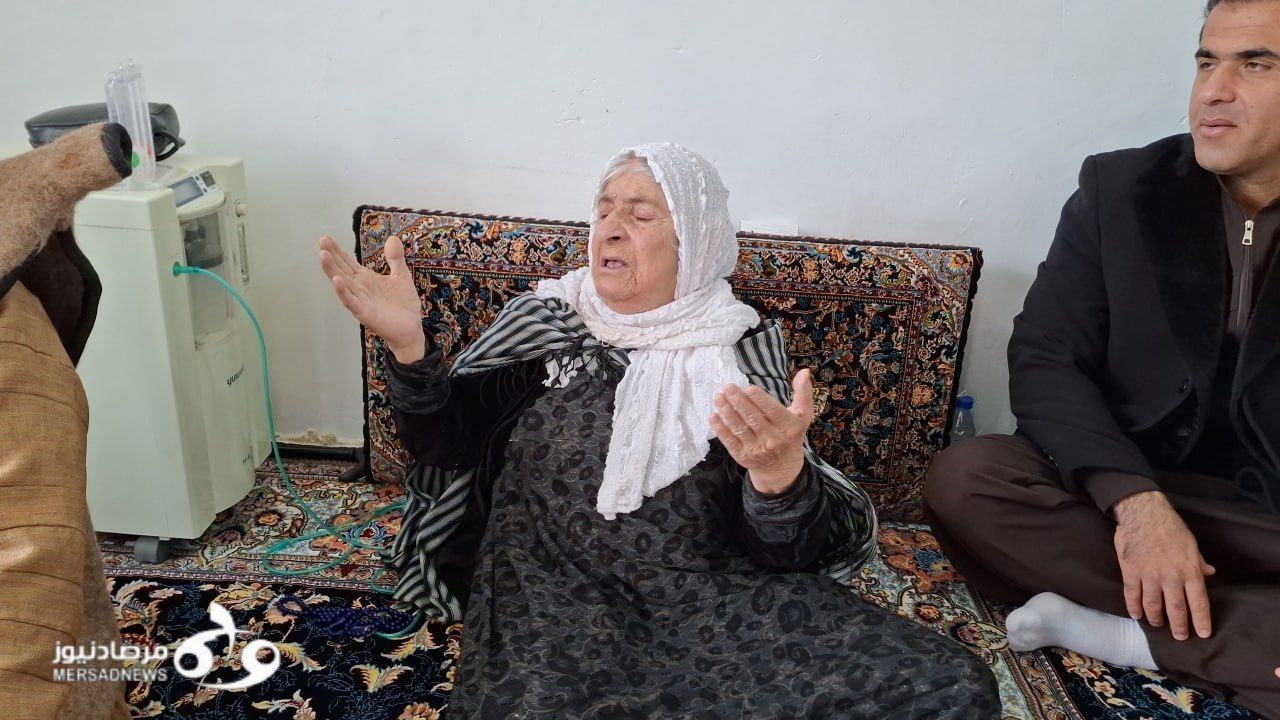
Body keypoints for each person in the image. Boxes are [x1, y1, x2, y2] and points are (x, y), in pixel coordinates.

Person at [319, 143, 999, 718]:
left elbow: (789, 555)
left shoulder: (737, 351)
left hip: (717, 594)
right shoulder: (546, 325)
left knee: (948, 685)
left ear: (693, 243)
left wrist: (777, 477)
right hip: (557, 594)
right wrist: (410, 348)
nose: (610, 230)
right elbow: (442, 447)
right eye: (603, 211)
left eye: (640, 214)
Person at [923, 1, 1280, 717]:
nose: (1214, 90)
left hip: (1264, 516)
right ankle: (1249, 635)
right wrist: (1135, 503)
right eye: (1206, 61)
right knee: (968, 479)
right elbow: (1045, 355)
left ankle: (1125, 634)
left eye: (1255, 64)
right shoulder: (1122, 189)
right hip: (1125, 486)